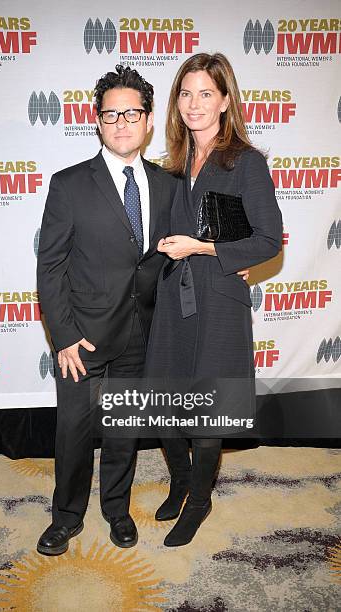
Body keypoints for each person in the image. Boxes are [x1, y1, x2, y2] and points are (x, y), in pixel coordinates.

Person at [36, 65, 179, 554]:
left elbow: (181, 249)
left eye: (131, 113)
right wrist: (64, 336)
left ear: (148, 120)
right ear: (96, 121)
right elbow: (50, 265)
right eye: (110, 113)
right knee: (74, 430)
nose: (121, 122)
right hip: (85, 336)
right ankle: (67, 516)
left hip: (143, 333)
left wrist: (231, 262)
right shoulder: (69, 185)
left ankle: (116, 509)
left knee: (124, 431)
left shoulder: (167, 184)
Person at [145, 53, 283, 547]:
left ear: (225, 100)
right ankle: (180, 479)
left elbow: (269, 239)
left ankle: (200, 499)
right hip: (172, 296)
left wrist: (206, 248)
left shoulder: (245, 161)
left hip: (219, 299)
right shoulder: (174, 163)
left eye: (206, 93)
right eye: (186, 93)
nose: (194, 103)